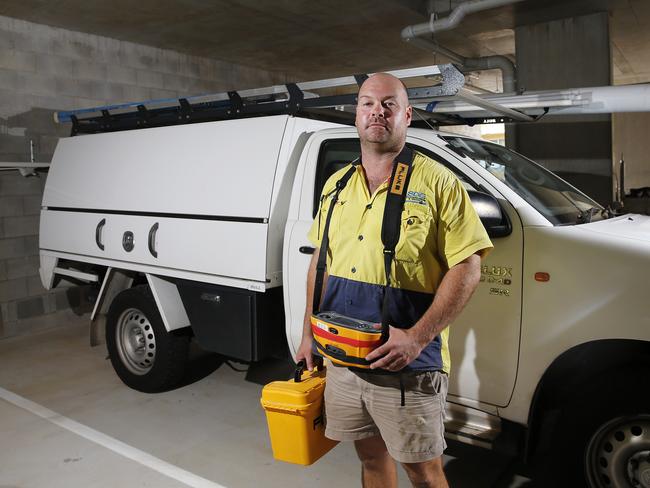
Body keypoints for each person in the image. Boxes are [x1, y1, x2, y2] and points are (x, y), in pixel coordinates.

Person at [296, 72, 493, 488]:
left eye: (388, 104)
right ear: (356, 115)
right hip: (343, 360)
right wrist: (307, 335)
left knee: (423, 472)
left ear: (406, 115)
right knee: (369, 458)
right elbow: (321, 262)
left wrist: (418, 337)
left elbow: (468, 265)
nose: (377, 112)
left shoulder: (437, 183)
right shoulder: (336, 186)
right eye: (368, 103)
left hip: (407, 367)